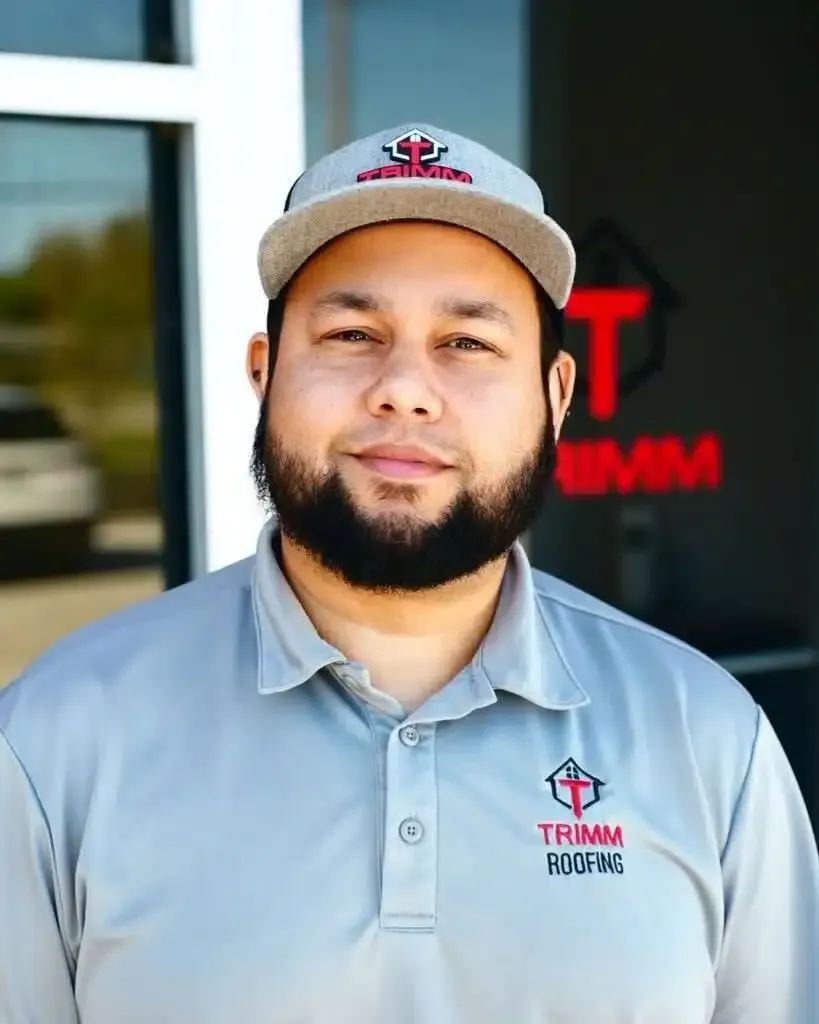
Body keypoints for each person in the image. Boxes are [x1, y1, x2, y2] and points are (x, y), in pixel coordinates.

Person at [0, 123, 816, 1024]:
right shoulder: (56, 739)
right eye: (352, 332)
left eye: (466, 343)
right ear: (264, 374)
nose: (405, 388)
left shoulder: (705, 736)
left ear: (555, 394)